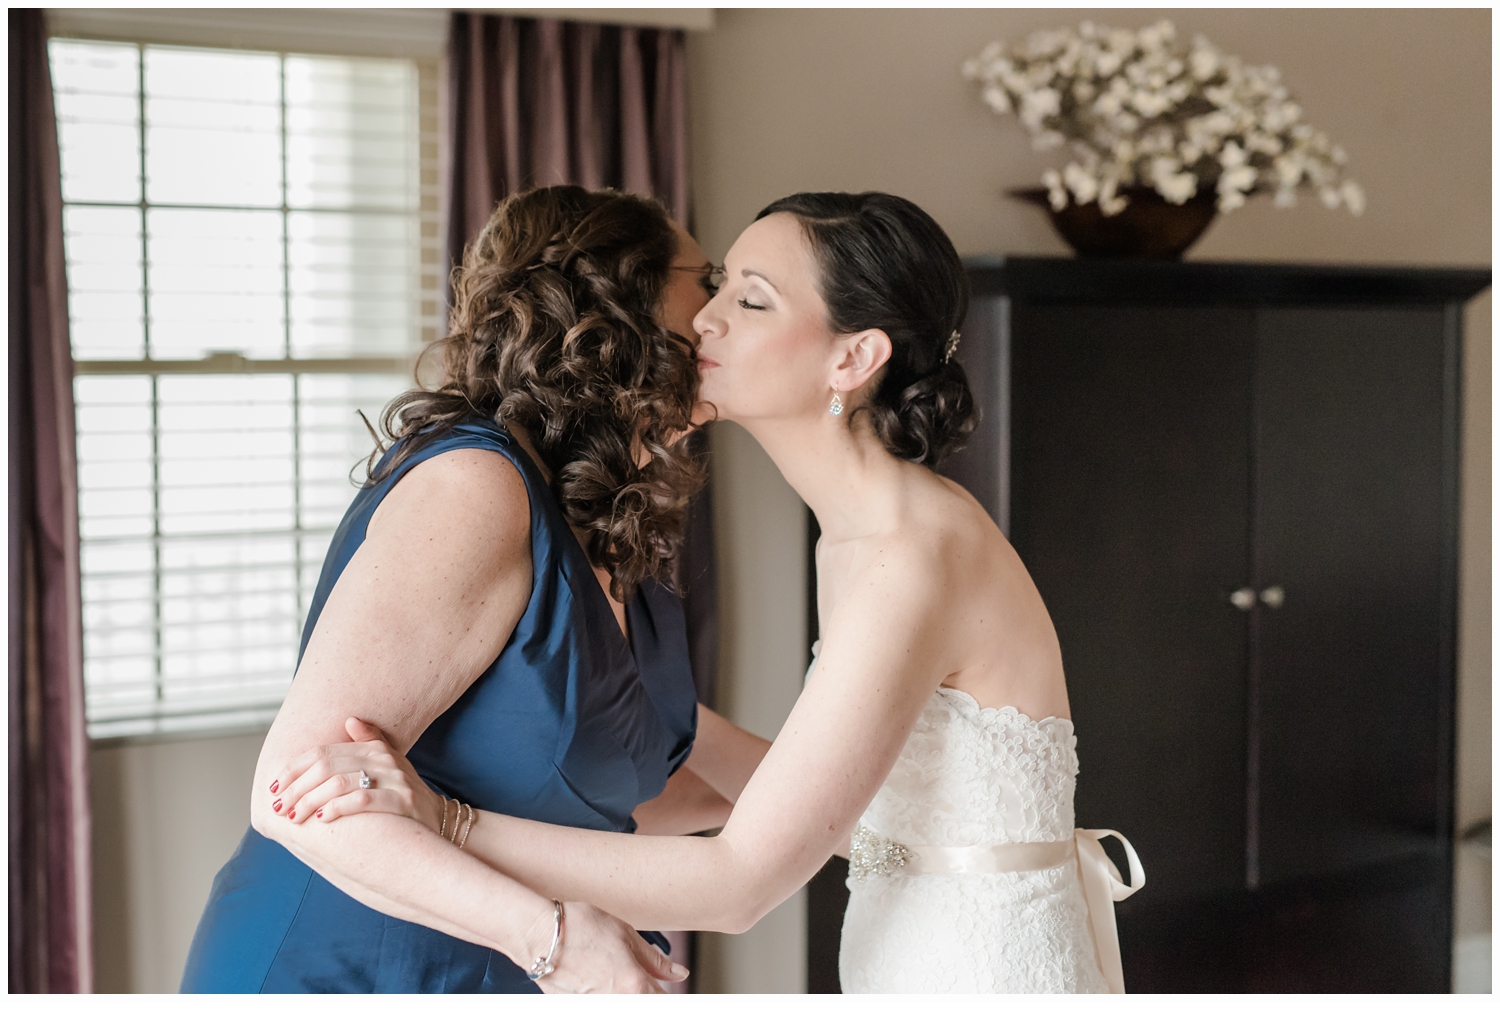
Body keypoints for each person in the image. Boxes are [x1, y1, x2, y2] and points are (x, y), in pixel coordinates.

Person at [273, 192, 1144, 993]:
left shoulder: (908, 557)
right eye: (718, 285)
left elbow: (737, 883)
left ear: (853, 356)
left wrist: (442, 818)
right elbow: (851, 794)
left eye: (750, 299)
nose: (702, 319)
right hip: (906, 941)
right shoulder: (853, 535)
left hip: (982, 966)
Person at [180, 184, 768, 993]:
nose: (716, 312)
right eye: (706, 280)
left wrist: (843, 813)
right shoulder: (477, 486)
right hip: (352, 963)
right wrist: (553, 938)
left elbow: (603, 787)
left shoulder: (600, 520)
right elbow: (291, 791)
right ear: (612, 299)